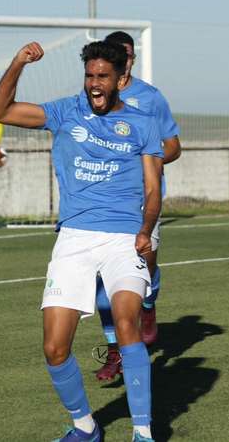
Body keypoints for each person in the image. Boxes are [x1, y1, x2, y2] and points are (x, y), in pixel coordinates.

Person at [0, 40, 163, 442]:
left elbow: (152, 190)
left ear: (120, 79)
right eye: (89, 76)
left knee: (125, 324)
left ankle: (143, 433)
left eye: (103, 77)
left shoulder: (142, 123)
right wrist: (18, 63)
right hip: (74, 238)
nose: (95, 84)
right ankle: (86, 427)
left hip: (124, 239)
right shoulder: (65, 112)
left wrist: (144, 230)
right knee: (54, 348)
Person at [93, 31, 181, 381]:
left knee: (145, 262)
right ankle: (115, 349)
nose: (123, 59)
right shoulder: (94, 98)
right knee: (103, 281)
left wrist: (151, 159)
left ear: (132, 57)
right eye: (116, 53)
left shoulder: (150, 98)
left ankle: (149, 300)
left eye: (127, 54)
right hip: (105, 201)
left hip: (144, 199)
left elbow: (173, 146)